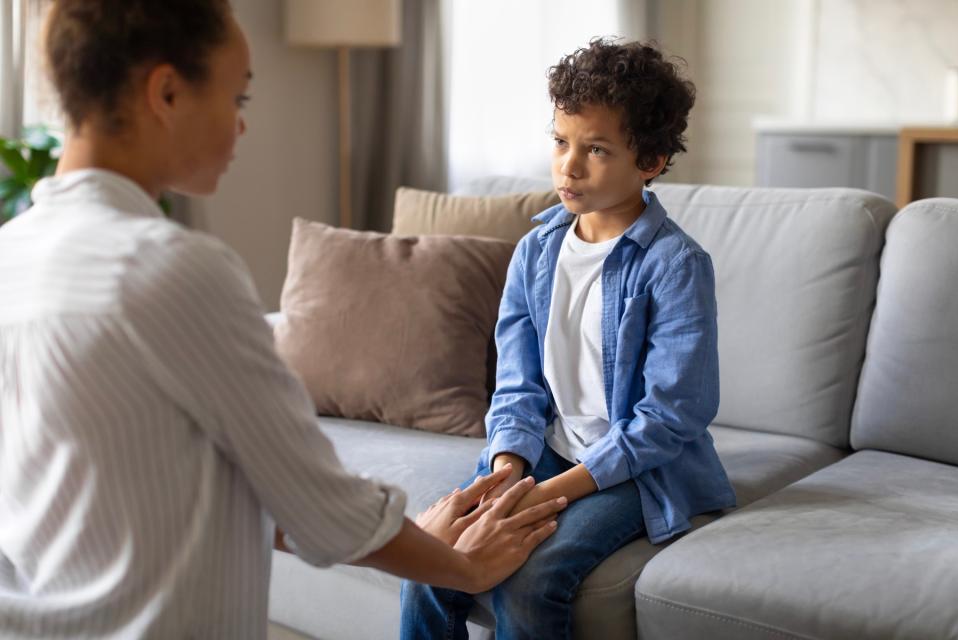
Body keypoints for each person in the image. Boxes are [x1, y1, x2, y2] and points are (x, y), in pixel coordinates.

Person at [0, 1, 565, 638]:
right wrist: (461, 565)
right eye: (237, 97)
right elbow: (320, 505)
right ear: (166, 92)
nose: (242, 127)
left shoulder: (11, 255)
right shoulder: (174, 269)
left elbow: (174, 488)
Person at [400, 38, 738, 640]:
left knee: (531, 580)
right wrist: (509, 467)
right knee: (428, 556)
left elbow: (671, 416)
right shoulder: (535, 251)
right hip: (548, 446)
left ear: (651, 161)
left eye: (597, 149)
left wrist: (548, 496)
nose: (569, 167)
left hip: (640, 469)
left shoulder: (676, 265)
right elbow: (517, 382)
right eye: (561, 141)